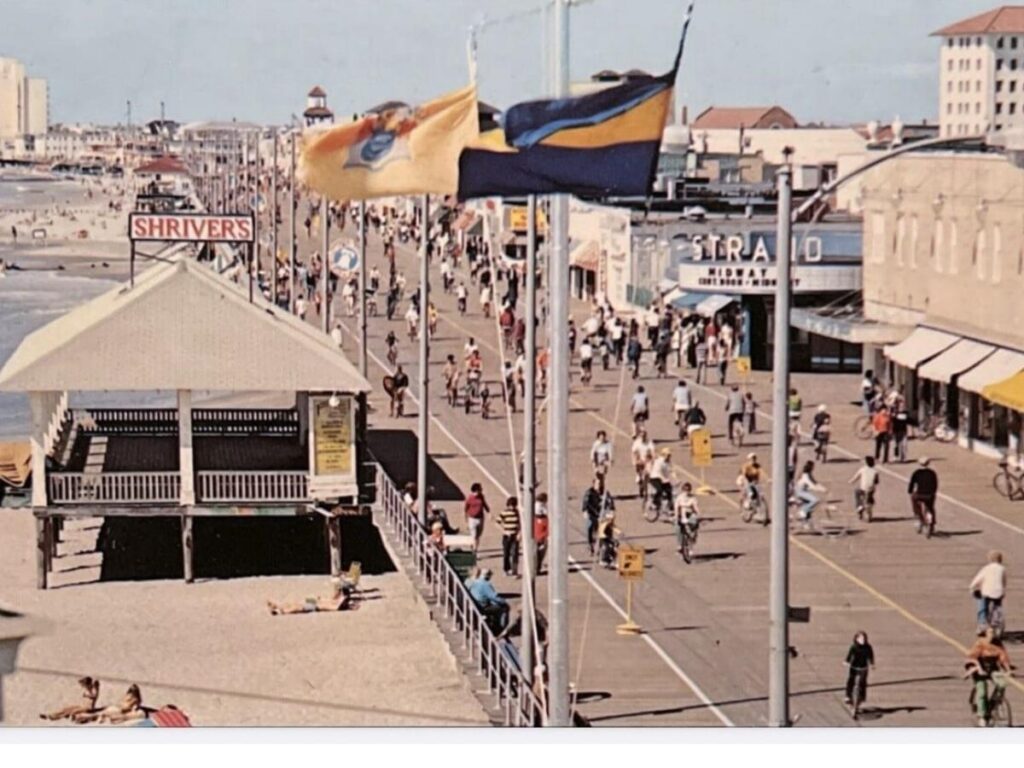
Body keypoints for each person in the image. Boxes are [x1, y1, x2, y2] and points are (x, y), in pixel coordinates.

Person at [964, 627, 1012, 726]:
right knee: (982, 691)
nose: (992, 634)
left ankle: (995, 701)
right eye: (990, 632)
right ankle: (982, 715)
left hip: (992, 669)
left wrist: (1008, 670)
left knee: (1002, 684)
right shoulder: (980, 643)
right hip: (979, 669)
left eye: (993, 632)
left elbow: (1003, 657)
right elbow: (972, 658)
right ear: (985, 634)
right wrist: (979, 669)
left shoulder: (997, 643)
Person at [267, 579, 353, 616]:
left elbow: (332, 604)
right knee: (298, 602)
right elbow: (332, 599)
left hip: (316, 606)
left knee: (299, 606)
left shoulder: (338, 603)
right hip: (316, 603)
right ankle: (278, 606)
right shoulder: (338, 601)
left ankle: (280, 610)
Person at [970, 551, 1007, 634]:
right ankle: (996, 622)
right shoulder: (1002, 569)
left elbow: (978, 579)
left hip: (986, 591)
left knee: (982, 605)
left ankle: (982, 623)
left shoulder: (986, 568)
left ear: (990, 559)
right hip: (998, 592)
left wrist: (972, 588)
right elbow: (1004, 581)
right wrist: (1003, 590)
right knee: (997, 605)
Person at [844, 631, 875, 709]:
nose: (863, 640)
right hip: (854, 666)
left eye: (864, 638)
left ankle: (862, 696)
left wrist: (872, 664)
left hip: (864, 667)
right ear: (857, 639)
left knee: (863, 682)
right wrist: (846, 662)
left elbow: (870, 656)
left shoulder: (868, 647)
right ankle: (847, 695)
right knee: (851, 680)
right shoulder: (854, 647)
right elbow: (849, 655)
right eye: (861, 638)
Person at [581, 478, 613, 556]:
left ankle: (608, 545)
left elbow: (610, 503)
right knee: (590, 525)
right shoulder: (589, 493)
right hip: (592, 515)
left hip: (602, 515)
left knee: (609, 527)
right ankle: (590, 544)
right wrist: (586, 513)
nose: (599, 486)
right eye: (597, 484)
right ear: (593, 484)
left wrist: (611, 510)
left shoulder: (605, 493)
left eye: (600, 484)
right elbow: (585, 505)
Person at [907, 456, 938, 536]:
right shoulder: (932, 473)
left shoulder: (917, 473)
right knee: (930, 507)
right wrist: (933, 493)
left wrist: (910, 491)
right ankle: (932, 522)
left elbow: (912, 484)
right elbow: (935, 485)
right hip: (930, 495)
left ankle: (918, 516)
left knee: (914, 499)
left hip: (920, 494)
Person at [794, 460, 826, 528]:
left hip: (804, 491)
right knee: (815, 500)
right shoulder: (805, 476)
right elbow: (812, 485)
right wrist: (820, 490)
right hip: (800, 492)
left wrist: (823, 488)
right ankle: (803, 510)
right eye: (813, 466)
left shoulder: (809, 474)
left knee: (810, 506)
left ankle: (805, 522)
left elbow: (815, 482)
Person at [674, 482, 700, 554]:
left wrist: (698, 514)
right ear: (682, 490)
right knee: (677, 528)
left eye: (688, 490)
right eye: (685, 490)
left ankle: (691, 546)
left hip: (690, 515)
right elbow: (676, 508)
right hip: (681, 515)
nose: (686, 492)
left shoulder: (693, 498)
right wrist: (676, 517)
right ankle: (679, 545)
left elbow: (696, 508)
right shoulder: (679, 498)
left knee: (692, 530)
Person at [498, 497, 521, 577]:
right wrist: (503, 531)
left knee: (515, 553)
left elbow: (521, 524)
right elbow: (497, 522)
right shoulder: (504, 513)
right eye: (511, 506)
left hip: (515, 535)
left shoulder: (518, 513)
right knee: (506, 553)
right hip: (507, 536)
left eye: (514, 506)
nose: (512, 508)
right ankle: (506, 569)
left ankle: (515, 570)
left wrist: (519, 533)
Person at [464, 482, 490, 552]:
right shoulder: (469, 498)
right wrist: (466, 519)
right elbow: (466, 509)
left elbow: (484, 504)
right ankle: (474, 550)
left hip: (480, 518)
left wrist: (488, 512)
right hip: (472, 519)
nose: (481, 490)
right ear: (476, 490)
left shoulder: (481, 497)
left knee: (478, 535)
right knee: (474, 535)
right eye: (480, 489)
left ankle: (475, 547)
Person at [631, 428, 655, 499]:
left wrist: (653, 460)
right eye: (641, 435)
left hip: (647, 461)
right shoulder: (636, 443)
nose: (643, 437)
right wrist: (635, 461)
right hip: (639, 460)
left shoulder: (649, 442)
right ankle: (640, 484)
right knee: (640, 476)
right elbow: (634, 453)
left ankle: (645, 491)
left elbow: (653, 452)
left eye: (644, 435)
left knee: (647, 475)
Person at [649, 447, 675, 512]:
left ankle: (670, 506)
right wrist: (663, 479)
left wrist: (676, 479)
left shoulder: (669, 462)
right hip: (655, 477)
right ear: (663, 455)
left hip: (664, 478)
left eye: (669, 455)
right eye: (668, 455)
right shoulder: (659, 461)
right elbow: (659, 472)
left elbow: (671, 471)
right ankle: (653, 503)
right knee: (659, 490)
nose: (669, 456)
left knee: (669, 491)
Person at [534, 494, 549, 576]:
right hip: (539, 538)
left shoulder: (544, 519)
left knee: (539, 555)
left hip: (541, 538)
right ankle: (537, 568)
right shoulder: (541, 518)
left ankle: (537, 568)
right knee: (538, 555)